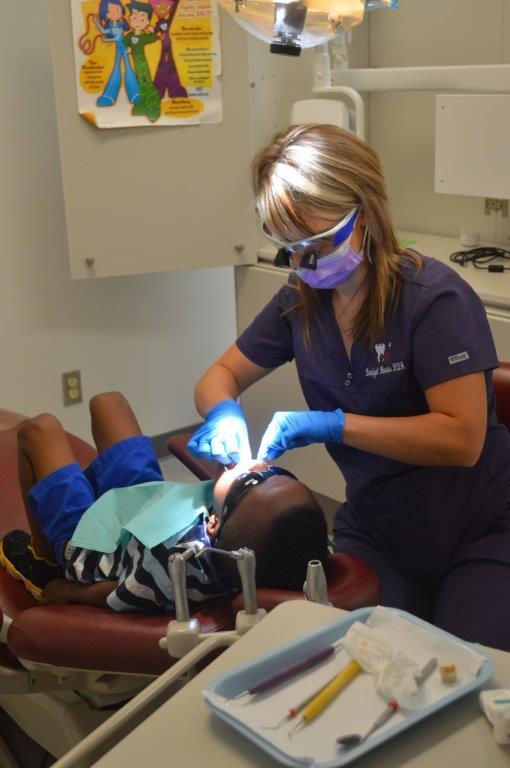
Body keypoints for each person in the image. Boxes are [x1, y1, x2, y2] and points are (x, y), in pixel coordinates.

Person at [188, 123, 510, 651]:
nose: (300, 266)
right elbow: (217, 378)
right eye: (287, 249)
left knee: (469, 667)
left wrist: (335, 425)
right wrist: (222, 413)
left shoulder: (434, 300)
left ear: (367, 212)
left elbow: (463, 438)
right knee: (373, 663)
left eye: (315, 246)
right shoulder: (302, 300)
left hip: (477, 525)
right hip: (377, 527)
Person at [0, 392, 327, 612]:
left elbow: (120, 592)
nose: (258, 465)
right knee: (108, 403)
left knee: (39, 430)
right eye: (277, 472)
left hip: (93, 544)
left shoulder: (175, 569)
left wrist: (68, 592)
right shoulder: (251, 533)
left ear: (212, 524)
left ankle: (44, 560)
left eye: (251, 480)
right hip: (147, 507)